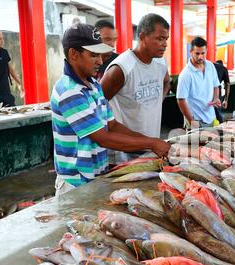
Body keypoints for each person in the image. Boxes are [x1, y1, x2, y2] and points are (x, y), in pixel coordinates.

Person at [51, 23, 170, 196]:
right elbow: (103, 138)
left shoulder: (93, 85)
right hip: (75, 183)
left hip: (96, 176)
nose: (100, 61)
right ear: (74, 54)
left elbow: (112, 126)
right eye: (93, 55)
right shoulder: (69, 92)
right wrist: (151, 143)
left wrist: (151, 142)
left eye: (100, 55)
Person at [100, 14, 171, 164]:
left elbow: (167, 82)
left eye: (166, 39)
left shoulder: (161, 63)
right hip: (125, 154)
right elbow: (97, 103)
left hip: (153, 147)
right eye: (159, 38)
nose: (165, 44)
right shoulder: (122, 68)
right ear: (143, 36)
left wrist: (157, 101)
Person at [176, 37, 221, 130]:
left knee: (212, 143)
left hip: (211, 118)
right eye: (197, 53)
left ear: (206, 51)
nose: (200, 56)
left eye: (203, 53)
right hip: (195, 120)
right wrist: (192, 122)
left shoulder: (210, 66)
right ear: (191, 51)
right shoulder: (186, 74)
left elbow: (216, 85)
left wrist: (216, 98)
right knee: (195, 144)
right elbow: (181, 100)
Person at [0, 31, 24, 107]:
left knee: (12, 112)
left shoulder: (4, 52)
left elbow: (10, 70)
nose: (2, 41)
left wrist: (19, 84)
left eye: (2, 38)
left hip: (6, 92)